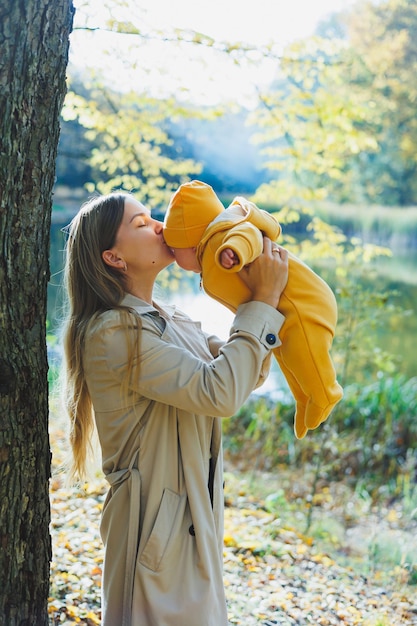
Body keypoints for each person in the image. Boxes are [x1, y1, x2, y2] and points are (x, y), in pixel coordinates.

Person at [61, 191, 289, 626]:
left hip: (192, 517)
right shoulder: (113, 333)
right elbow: (219, 391)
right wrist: (261, 303)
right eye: (142, 223)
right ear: (114, 257)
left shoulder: (172, 318)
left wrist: (261, 294)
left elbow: (244, 376)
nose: (161, 226)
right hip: (152, 530)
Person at [163, 180, 343, 439]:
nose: (171, 253)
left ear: (190, 242)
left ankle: (326, 393)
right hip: (280, 312)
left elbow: (248, 235)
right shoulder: (208, 250)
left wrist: (233, 250)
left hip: (303, 305)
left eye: (173, 247)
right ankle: (303, 398)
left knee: (307, 355)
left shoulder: (221, 238)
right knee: (288, 357)